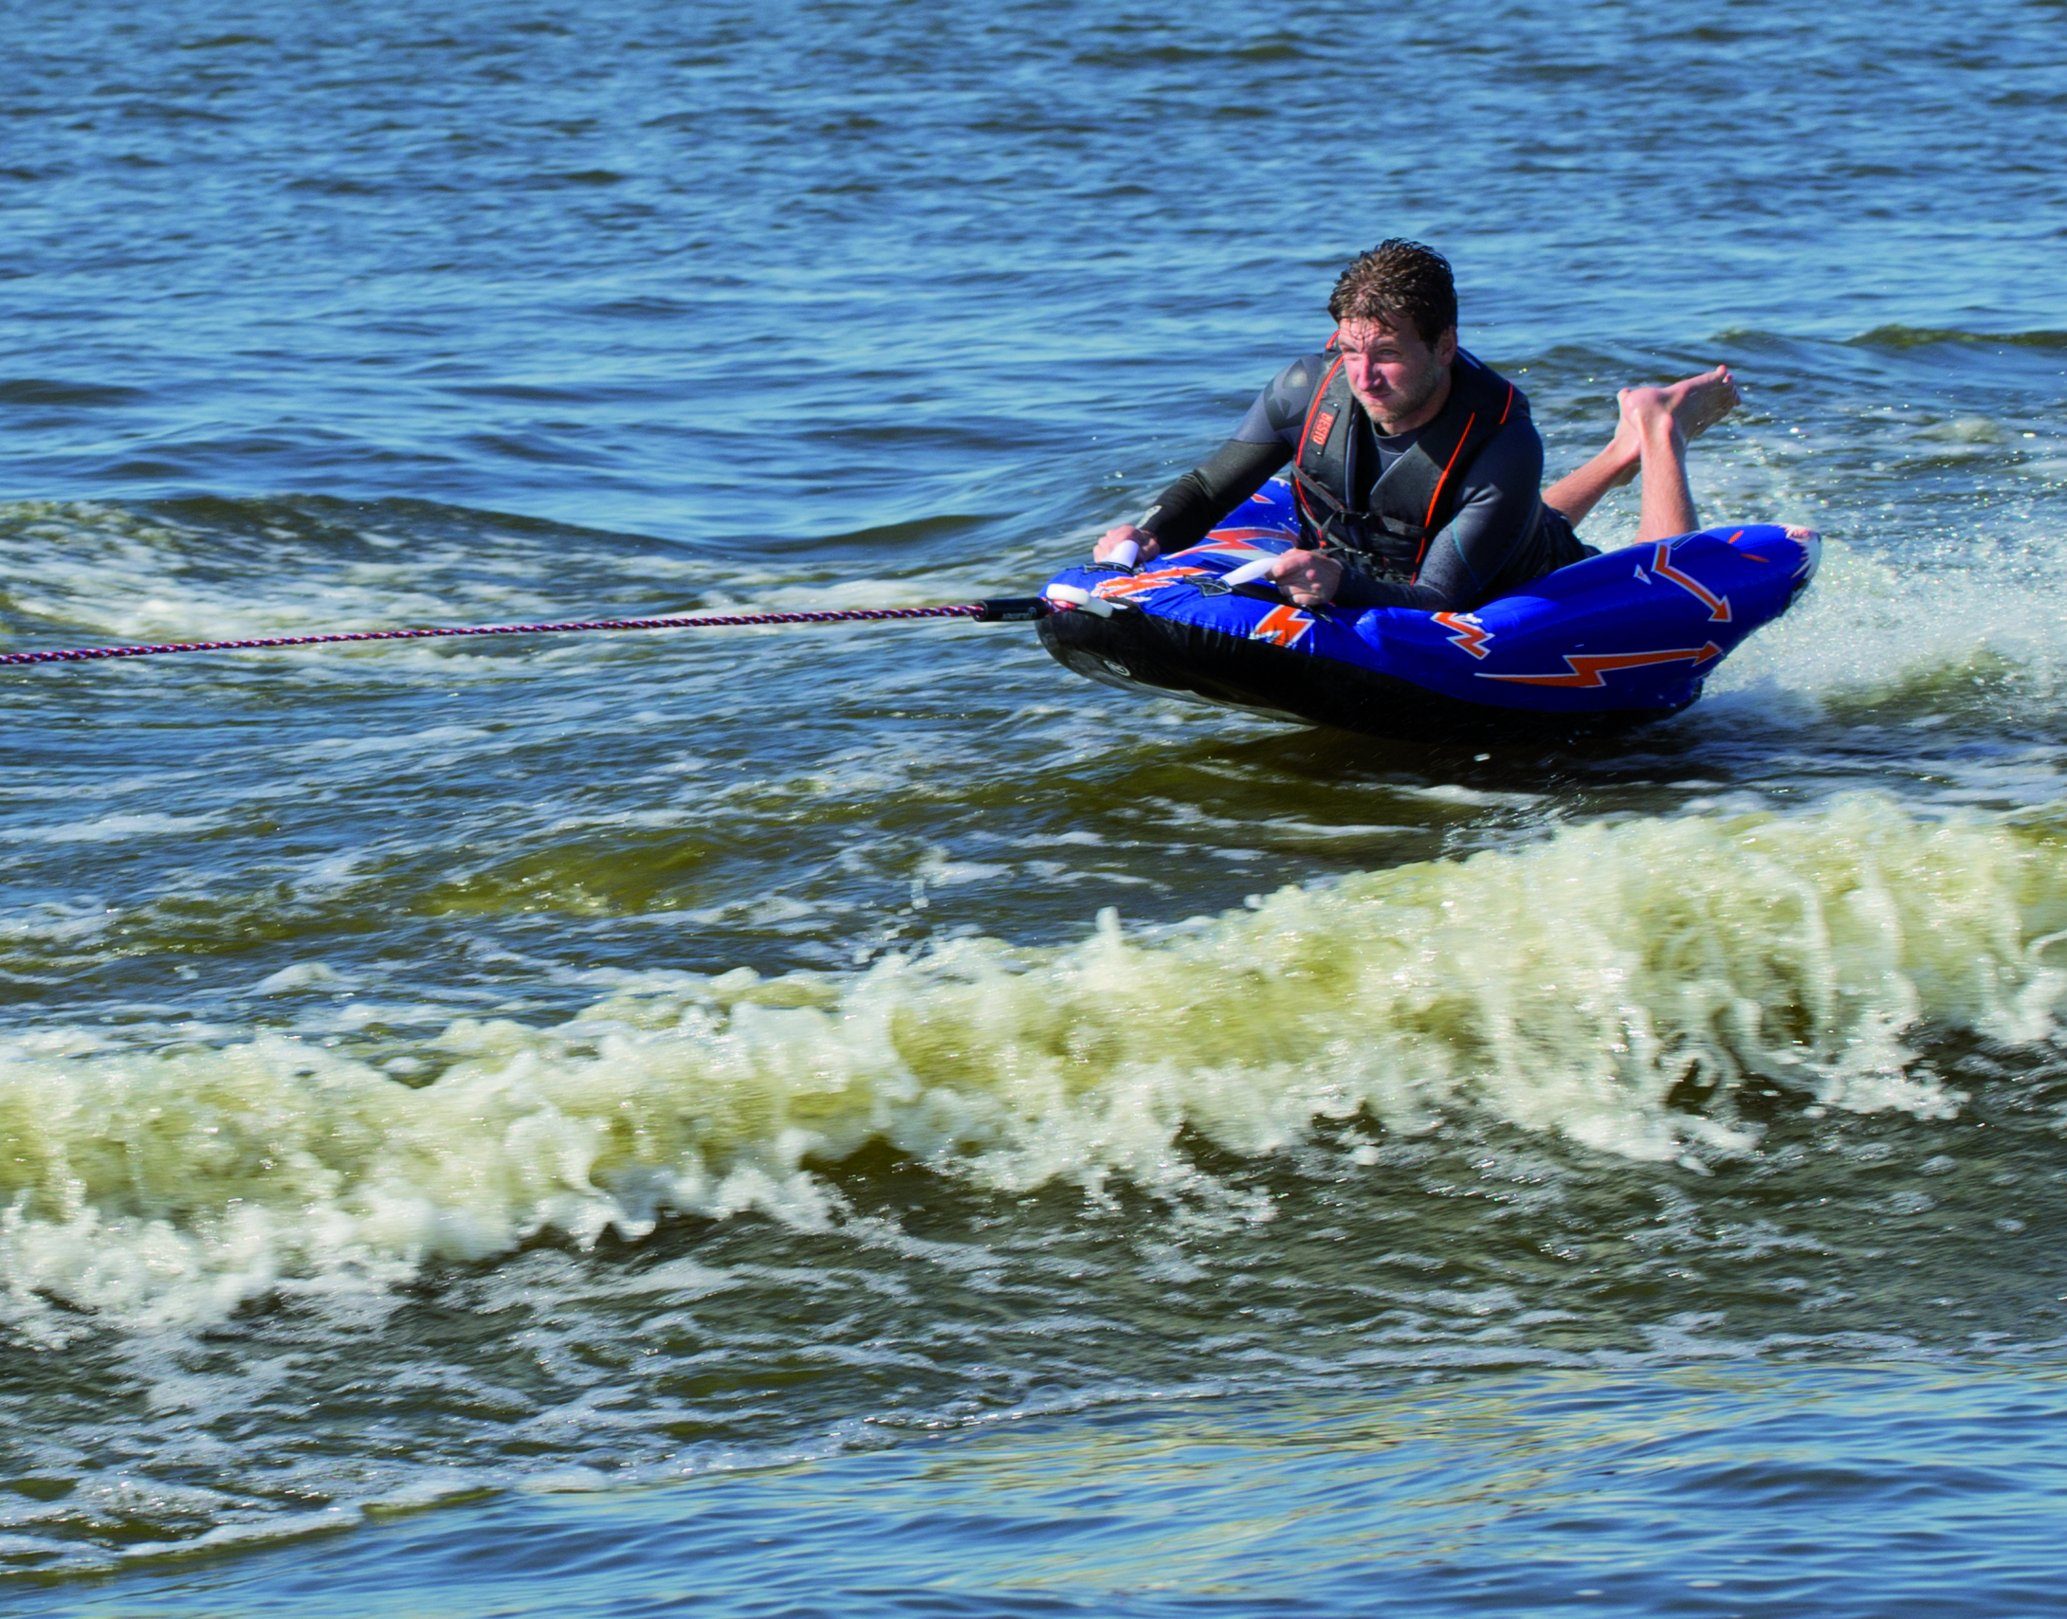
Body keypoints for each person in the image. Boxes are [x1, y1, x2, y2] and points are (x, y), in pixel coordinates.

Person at [1093, 240, 1741, 611]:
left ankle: (1657, 431)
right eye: (1350, 352)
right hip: (1419, 540)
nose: (1364, 377)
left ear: (1443, 346)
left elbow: (1443, 596)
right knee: (1478, 515)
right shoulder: (1303, 390)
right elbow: (1207, 493)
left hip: (1516, 582)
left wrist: (1339, 583)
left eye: (1388, 354)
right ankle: (1618, 448)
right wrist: (1145, 535)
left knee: (1668, 591)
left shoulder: (1502, 439)